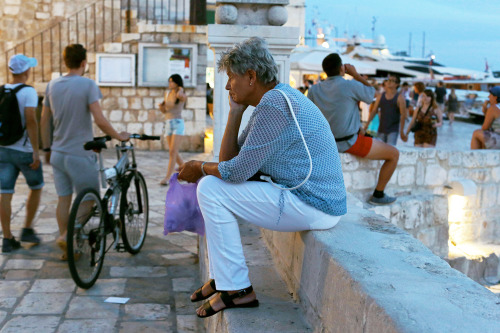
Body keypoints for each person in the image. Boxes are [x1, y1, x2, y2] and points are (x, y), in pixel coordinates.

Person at [178, 37, 346, 318]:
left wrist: (198, 165)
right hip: (310, 201)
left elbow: (235, 172)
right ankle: (226, 280)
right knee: (212, 185)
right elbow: (232, 162)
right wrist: (235, 113)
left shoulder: (274, 104)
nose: (227, 85)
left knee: (210, 188)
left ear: (251, 76)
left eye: (231, 77)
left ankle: (237, 290)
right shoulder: (273, 100)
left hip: (315, 204)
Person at [41, 44, 129, 260]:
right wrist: (119, 135)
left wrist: (46, 148)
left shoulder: (52, 85)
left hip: (58, 152)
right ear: (84, 63)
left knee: (64, 199)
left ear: (65, 62)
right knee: (90, 199)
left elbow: (44, 120)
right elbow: (99, 119)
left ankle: (71, 245)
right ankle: (67, 236)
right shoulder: (88, 85)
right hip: (79, 152)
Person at [308, 53, 399, 205]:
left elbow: (310, 116)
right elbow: (372, 94)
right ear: (342, 68)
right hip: (349, 142)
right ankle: (378, 193)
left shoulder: (314, 90)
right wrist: (356, 75)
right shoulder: (350, 85)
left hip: (325, 143)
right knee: (394, 154)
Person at [0, 54, 43, 252]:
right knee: (36, 186)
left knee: (5, 193)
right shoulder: (29, 92)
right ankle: (27, 228)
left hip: (3, 149)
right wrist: (35, 151)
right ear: (26, 70)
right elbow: (31, 121)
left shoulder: (2, 90)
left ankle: (7, 238)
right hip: (24, 150)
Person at [159, 74, 187, 186]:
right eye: (169, 81)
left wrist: (181, 88)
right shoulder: (167, 94)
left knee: (172, 152)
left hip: (178, 123)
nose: (170, 83)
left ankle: (167, 177)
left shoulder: (181, 94)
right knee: (173, 151)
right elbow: (165, 111)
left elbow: (181, 96)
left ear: (177, 82)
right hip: (168, 123)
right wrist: (161, 107)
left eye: (172, 81)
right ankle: (186, 171)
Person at [364, 74, 407, 145]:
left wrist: (402, 131)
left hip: (393, 130)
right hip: (381, 129)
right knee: (381, 151)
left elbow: (403, 115)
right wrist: (367, 125)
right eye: (388, 80)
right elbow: (374, 111)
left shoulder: (400, 98)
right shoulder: (381, 96)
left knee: (390, 150)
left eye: (392, 81)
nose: (389, 82)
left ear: (397, 84)